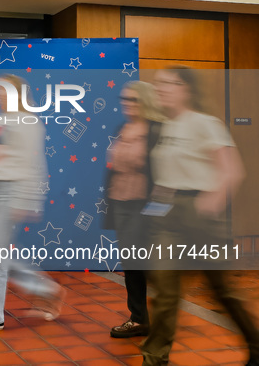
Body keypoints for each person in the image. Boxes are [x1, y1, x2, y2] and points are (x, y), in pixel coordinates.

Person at [141, 65, 259, 365]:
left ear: (186, 89)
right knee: (165, 291)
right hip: (168, 218)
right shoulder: (166, 125)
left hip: (200, 216)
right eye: (158, 84)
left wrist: (211, 201)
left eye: (168, 83)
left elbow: (233, 170)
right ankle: (154, 358)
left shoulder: (206, 123)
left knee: (223, 292)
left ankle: (256, 344)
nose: (161, 89)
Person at [0, 74, 63, 334]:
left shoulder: (29, 123)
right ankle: (43, 288)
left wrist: (27, 199)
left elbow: (35, 165)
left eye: (3, 90)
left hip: (13, 191)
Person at [105, 81, 164, 338]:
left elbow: (163, 173)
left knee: (148, 264)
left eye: (133, 100)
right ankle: (139, 318)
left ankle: (163, 315)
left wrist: (157, 210)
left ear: (146, 102)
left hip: (146, 206)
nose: (127, 104)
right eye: (124, 99)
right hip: (121, 204)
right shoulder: (123, 128)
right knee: (132, 264)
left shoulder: (157, 130)